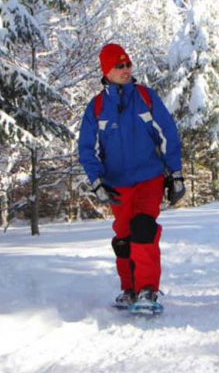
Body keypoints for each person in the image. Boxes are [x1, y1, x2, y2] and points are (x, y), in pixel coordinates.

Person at [78, 43, 184, 314]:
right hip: (116, 184)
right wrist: (97, 181)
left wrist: (175, 174)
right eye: (119, 66)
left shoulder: (146, 98)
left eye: (128, 64)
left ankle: (147, 287)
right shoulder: (97, 107)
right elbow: (87, 148)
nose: (126, 70)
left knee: (144, 228)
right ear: (107, 71)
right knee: (123, 238)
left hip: (149, 178)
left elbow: (168, 135)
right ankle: (129, 288)